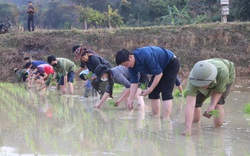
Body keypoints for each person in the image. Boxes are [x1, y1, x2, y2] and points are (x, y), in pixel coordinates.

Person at [115, 46, 180, 121]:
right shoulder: (131, 67)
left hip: (170, 63)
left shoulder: (145, 55)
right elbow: (134, 82)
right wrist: (131, 99)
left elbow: (159, 74)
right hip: (160, 68)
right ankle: (156, 118)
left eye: (126, 64)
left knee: (166, 92)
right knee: (153, 93)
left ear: (130, 57)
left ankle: (166, 119)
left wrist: (150, 89)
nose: (126, 67)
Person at [182, 58, 235, 136]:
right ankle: (195, 123)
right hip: (205, 73)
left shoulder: (223, 72)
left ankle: (218, 130)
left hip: (227, 72)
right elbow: (190, 105)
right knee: (196, 103)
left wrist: (212, 105)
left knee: (218, 104)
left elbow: (218, 91)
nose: (203, 86)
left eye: (205, 83)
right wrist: (188, 128)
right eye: (200, 84)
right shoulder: (194, 77)